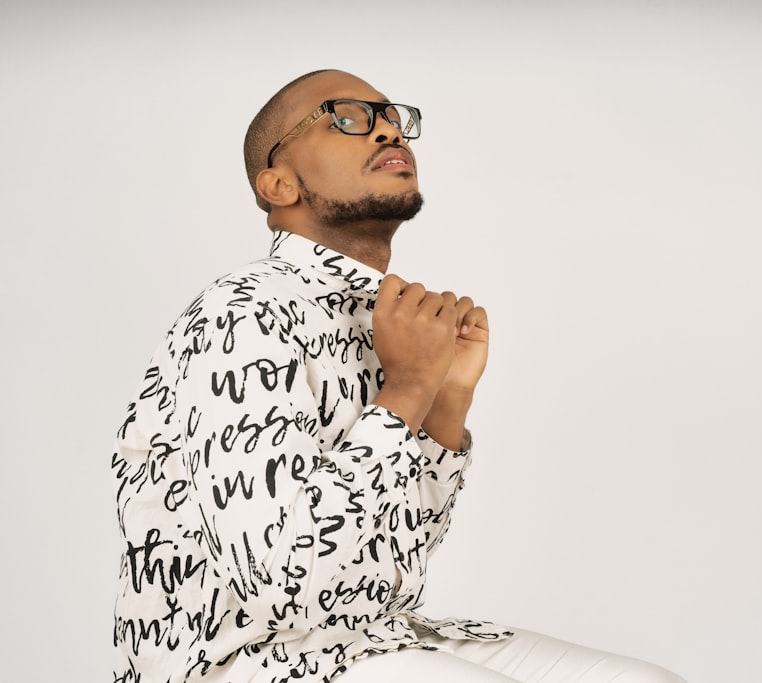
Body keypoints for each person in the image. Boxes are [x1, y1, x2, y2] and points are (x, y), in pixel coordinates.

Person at [112, 69, 685, 683]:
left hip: (372, 638)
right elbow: (284, 587)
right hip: (241, 660)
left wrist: (445, 406)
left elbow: (394, 562)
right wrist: (408, 387)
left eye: (392, 117)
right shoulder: (244, 315)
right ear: (278, 185)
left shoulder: (383, 315)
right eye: (345, 116)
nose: (387, 127)